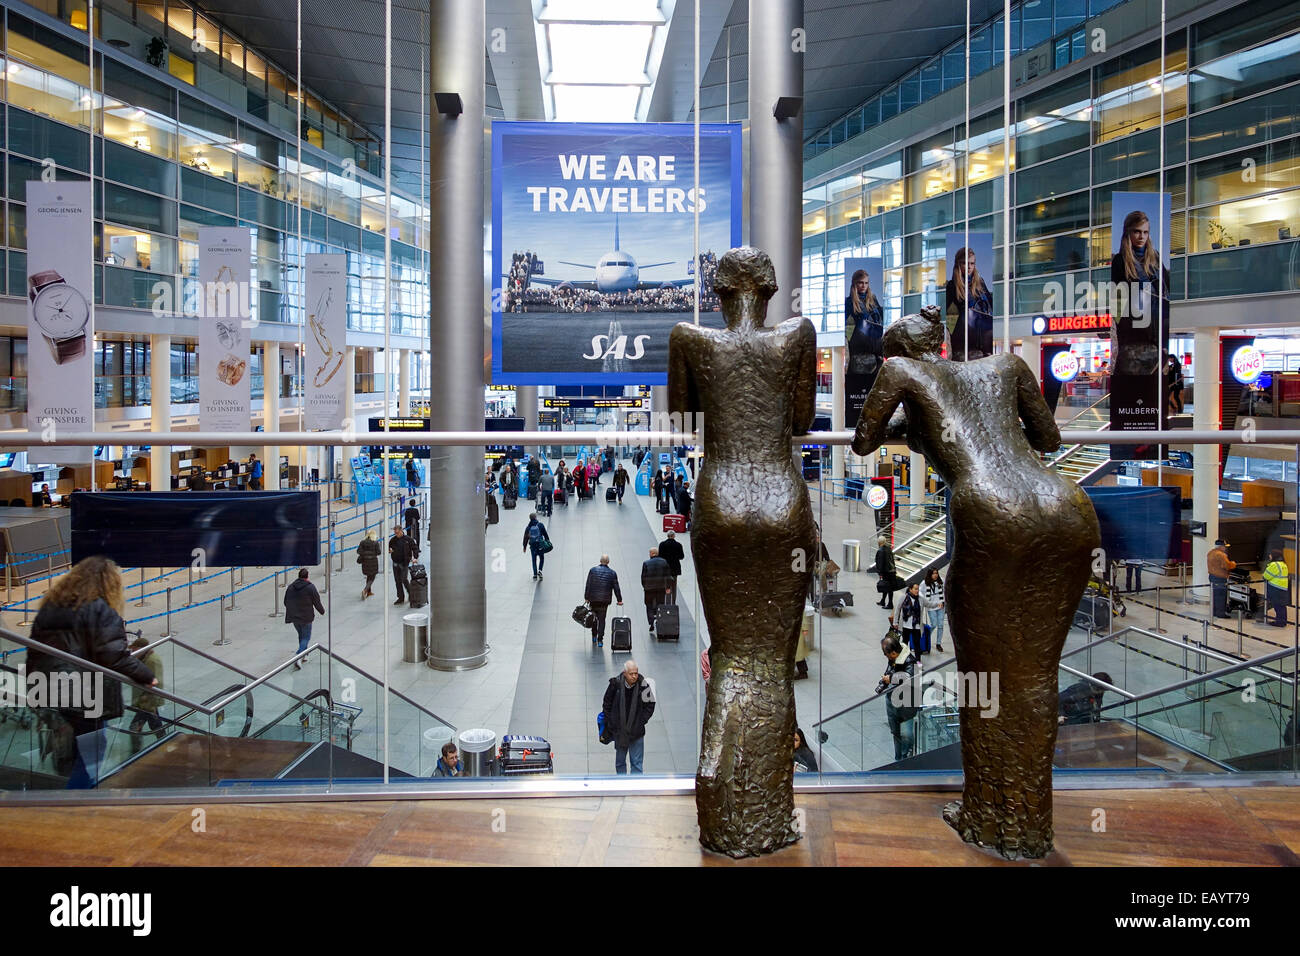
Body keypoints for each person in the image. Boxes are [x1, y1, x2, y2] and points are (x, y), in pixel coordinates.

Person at [852, 303, 1100, 859]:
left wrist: (911, 422)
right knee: (1034, 675)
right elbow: (1050, 437)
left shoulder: (901, 373)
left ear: (898, 352)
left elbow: (864, 441)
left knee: (983, 673)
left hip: (991, 510)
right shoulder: (1005, 368)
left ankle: (989, 815)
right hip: (1062, 502)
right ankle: (1031, 823)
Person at [26, 556, 158, 788]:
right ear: (108, 583)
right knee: (92, 756)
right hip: (84, 694)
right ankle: (74, 807)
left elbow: (35, 653)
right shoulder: (100, 610)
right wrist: (147, 675)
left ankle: (64, 798)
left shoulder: (50, 607)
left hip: (45, 689)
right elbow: (114, 655)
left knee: (71, 752)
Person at [601, 660, 655, 774]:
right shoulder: (615, 684)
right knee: (620, 762)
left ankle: (636, 788)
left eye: (636, 673)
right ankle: (622, 786)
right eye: (631, 674)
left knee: (637, 763)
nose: (634, 676)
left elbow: (650, 704)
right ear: (625, 673)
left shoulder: (643, 685)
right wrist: (611, 721)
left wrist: (641, 721)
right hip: (620, 732)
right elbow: (607, 703)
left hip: (637, 732)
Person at [945, 247, 994, 361]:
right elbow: (950, 315)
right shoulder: (953, 286)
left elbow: (990, 303)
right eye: (965, 263)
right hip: (964, 336)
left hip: (982, 332)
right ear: (958, 264)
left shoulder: (980, 282)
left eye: (972, 263)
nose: (969, 267)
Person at [845, 267, 885, 394]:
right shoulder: (849, 302)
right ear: (855, 283)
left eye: (866, 283)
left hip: (876, 343)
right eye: (860, 283)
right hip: (861, 344)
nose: (863, 286)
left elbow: (881, 318)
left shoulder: (873, 299)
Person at [879, 633, 918, 761]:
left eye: (886, 654)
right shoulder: (893, 659)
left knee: (906, 734)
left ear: (894, 653)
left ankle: (905, 758)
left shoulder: (909, 661)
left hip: (907, 704)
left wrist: (890, 678)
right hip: (893, 702)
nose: (886, 657)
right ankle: (898, 759)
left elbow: (908, 678)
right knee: (895, 733)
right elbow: (889, 672)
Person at [127, 635, 166, 752]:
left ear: (142, 649)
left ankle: (135, 753)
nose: (132, 652)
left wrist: (147, 700)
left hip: (147, 701)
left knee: (134, 728)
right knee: (155, 725)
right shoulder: (143, 659)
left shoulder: (152, 660)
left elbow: (155, 681)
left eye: (134, 650)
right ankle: (165, 744)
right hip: (144, 701)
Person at [283, 568, 325, 669]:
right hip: (306, 617)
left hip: (294, 617)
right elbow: (316, 601)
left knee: (301, 636)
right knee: (306, 637)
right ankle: (298, 656)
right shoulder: (310, 587)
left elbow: (285, 601)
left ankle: (304, 655)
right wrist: (322, 611)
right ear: (307, 576)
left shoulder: (291, 587)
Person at [583, 554, 623, 646]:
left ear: (600, 561)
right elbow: (616, 588)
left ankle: (594, 636)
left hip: (593, 599)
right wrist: (619, 600)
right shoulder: (612, 573)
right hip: (604, 601)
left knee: (593, 618)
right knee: (602, 619)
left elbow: (588, 584)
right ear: (608, 562)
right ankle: (600, 640)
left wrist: (586, 597)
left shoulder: (592, 570)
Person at [641, 547, 673, 633]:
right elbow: (668, 576)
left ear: (651, 554)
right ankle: (659, 620)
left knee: (649, 605)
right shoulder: (664, 562)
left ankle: (651, 622)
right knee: (660, 604)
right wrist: (668, 587)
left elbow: (643, 577)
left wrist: (645, 586)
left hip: (649, 588)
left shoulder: (646, 563)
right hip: (660, 588)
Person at [388, 525, 417, 605]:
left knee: (404, 579)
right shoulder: (393, 540)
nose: (396, 534)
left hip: (404, 563)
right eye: (395, 533)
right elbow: (389, 547)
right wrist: (389, 550)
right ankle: (400, 597)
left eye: (397, 532)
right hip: (395, 563)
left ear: (401, 531)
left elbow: (414, 548)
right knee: (397, 581)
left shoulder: (408, 539)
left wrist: (415, 557)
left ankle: (411, 595)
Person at [1208, 538, 1235, 619]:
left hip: (1212, 576)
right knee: (1221, 596)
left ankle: (1214, 611)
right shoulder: (1221, 555)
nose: (1225, 548)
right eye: (1224, 546)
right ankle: (1220, 613)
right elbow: (1226, 566)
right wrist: (1233, 564)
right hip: (1220, 578)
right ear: (1221, 546)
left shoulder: (1210, 553)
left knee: (1214, 595)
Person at [921, 567, 946, 654]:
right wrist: (925, 602)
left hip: (941, 606)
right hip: (931, 607)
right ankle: (927, 637)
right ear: (930, 574)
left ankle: (938, 643)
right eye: (933, 573)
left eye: (936, 573)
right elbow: (920, 593)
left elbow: (945, 591)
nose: (935, 575)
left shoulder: (941, 581)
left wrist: (944, 601)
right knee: (934, 624)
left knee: (940, 625)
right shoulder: (924, 583)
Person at [1263, 550, 1289, 627]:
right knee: (1282, 606)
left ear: (1274, 556)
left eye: (1270, 555)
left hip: (1275, 588)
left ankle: (1280, 622)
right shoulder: (1283, 564)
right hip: (1283, 588)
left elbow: (1266, 576)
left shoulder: (1274, 565)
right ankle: (1282, 621)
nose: (1269, 556)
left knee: (1277, 606)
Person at [897, 582, 924, 655]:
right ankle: (903, 660)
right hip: (906, 625)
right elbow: (897, 609)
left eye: (918, 589)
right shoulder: (904, 597)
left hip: (916, 626)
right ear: (910, 589)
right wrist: (895, 622)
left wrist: (938, 604)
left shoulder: (921, 599)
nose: (917, 591)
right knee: (905, 644)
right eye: (915, 589)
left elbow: (929, 604)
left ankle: (918, 661)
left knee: (917, 644)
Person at [522, 511, 551, 581]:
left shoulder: (528, 527)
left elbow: (525, 538)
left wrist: (524, 547)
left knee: (534, 560)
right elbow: (545, 534)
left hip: (533, 546)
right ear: (535, 517)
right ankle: (540, 570)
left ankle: (535, 574)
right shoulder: (540, 525)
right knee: (541, 558)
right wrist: (548, 541)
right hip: (540, 545)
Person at [657, 530, 685, 600]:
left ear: (667, 536)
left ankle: (667, 600)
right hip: (675, 568)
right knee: (674, 585)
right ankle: (673, 601)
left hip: (665, 568)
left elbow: (660, 556)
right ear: (674, 536)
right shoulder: (678, 545)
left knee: (666, 585)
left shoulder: (662, 544)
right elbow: (681, 556)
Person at [874, 535, 899, 609]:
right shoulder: (889, 549)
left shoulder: (880, 551)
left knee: (888, 587)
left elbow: (880, 563)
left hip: (886, 572)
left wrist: (880, 573)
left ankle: (890, 604)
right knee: (887, 587)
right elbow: (892, 560)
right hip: (891, 571)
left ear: (879, 542)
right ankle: (883, 601)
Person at [356, 529, 381, 599]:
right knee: (372, 577)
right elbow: (379, 552)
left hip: (365, 561)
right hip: (373, 561)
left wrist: (365, 554)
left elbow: (358, 551)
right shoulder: (375, 543)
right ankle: (365, 590)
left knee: (368, 576)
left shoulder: (362, 542)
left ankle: (369, 592)